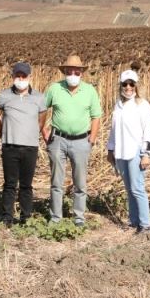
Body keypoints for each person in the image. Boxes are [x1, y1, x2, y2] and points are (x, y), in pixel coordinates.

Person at [42, 55, 102, 226]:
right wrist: (44, 130)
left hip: (81, 141)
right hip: (58, 139)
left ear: (81, 73)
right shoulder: (55, 88)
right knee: (56, 182)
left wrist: (92, 138)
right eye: (70, 71)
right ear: (65, 72)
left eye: (77, 72)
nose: (73, 74)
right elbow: (42, 109)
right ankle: (55, 217)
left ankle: (79, 217)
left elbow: (96, 116)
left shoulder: (90, 90)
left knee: (80, 182)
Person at [0, 62, 47, 226]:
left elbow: (42, 117)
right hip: (10, 147)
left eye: (24, 76)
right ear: (13, 76)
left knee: (26, 184)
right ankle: (7, 217)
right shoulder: (4, 95)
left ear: (30, 77)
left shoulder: (38, 97)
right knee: (9, 184)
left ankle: (25, 217)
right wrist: (3, 133)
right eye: (17, 76)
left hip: (30, 147)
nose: (20, 79)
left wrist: (33, 133)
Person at [107, 69, 150, 233]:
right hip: (121, 151)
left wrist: (146, 154)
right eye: (125, 84)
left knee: (137, 188)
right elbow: (113, 130)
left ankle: (145, 224)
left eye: (131, 84)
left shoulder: (142, 105)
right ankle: (134, 220)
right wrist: (110, 150)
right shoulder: (118, 105)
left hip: (136, 152)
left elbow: (148, 131)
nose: (128, 87)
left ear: (136, 86)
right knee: (129, 189)